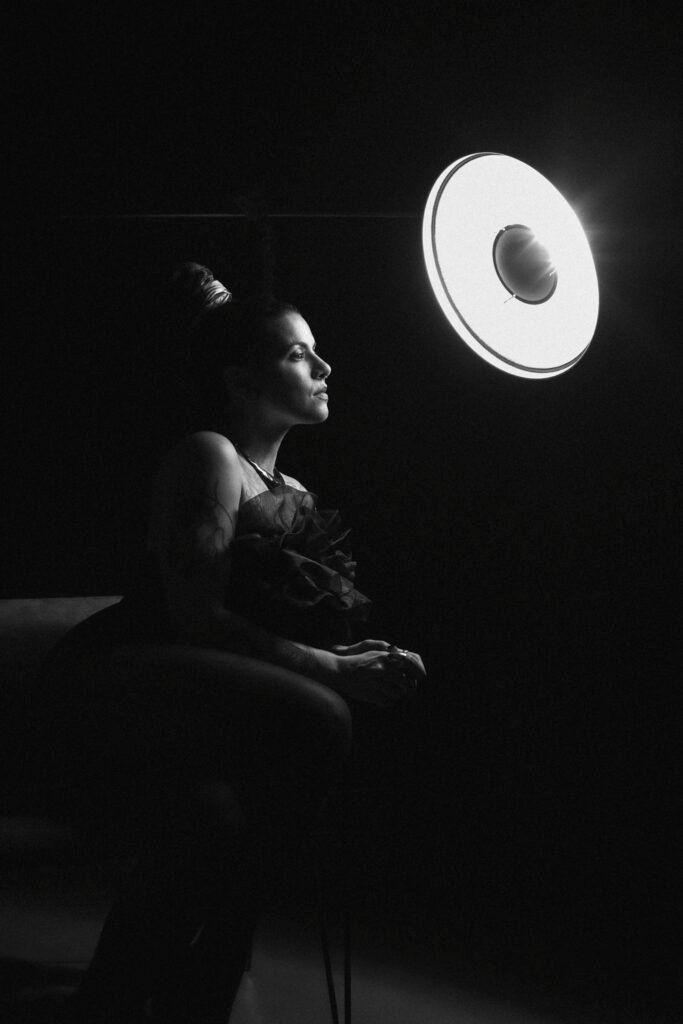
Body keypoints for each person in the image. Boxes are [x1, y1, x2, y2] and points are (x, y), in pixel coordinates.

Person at [40, 262, 426, 1023]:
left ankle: (146, 996)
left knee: (215, 812)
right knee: (321, 716)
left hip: (208, 702)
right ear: (242, 381)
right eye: (297, 354)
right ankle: (189, 987)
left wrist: (351, 658)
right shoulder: (209, 456)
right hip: (128, 675)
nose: (324, 367)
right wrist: (331, 673)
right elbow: (196, 619)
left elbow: (271, 636)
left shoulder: (296, 495)